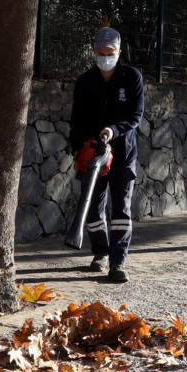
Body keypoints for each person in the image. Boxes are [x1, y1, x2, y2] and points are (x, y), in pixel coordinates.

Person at [68, 27, 144, 283]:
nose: (105, 57)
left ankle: (118, 262)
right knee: (93, 208)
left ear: (119, 52)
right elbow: (76, 120)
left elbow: (135, 116)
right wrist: (78, 147)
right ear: (94, 52)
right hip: (93, 155)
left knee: (121, 207)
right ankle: (100, 252)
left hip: (123, 154)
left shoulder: (132, 77)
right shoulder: (85, 82)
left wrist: (113, 130)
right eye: (100, 52)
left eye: (109, 52)